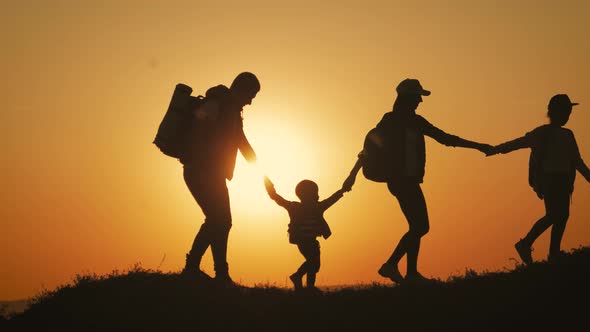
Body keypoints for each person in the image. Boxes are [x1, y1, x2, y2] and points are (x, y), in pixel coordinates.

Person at [343, 78, 492, 284]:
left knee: (416, 226)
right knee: (420, 227)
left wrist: (477, 146)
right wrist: (351, 176)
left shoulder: (412, 121)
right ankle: (391, 265)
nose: (420, 102)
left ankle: (410, 273)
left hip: (408, 180)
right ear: (407, 98)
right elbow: (368, 151)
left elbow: (445, 138)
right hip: (401, 180)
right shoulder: (393, 121)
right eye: (417, 97)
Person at [487, 94, 590, 265]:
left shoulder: (568, 134)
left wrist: (587, 176)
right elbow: (518, 143)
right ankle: (526, 243)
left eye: (569, 112)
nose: (567, 116)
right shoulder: (541, 133)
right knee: (554, 215)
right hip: (549, 180)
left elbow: (576, 160)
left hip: (564, 180)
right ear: (554, 112)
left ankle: (553, 253)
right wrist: (496, 149)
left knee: (562, 216)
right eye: (565, 112)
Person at [180, 72, 260, 285]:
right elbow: (200, 130)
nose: (251, 101)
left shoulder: (233, 110)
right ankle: (199, 269)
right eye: (251, 94)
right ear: (241, 89)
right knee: (220, 220)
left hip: (210, 172)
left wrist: (255, 161)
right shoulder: (218, 103)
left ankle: (213, 271)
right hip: (201, 171)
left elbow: (239, 138)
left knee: (220, 221)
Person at [264, 176, 347, 292]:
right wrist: (270, 189)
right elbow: (278, 199)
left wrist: (342, 191)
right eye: (315, 193)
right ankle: (298, 276)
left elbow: (332, 199)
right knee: (313, 262)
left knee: (314, 265)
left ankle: (309, 287)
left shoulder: (308, 207)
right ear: (308, 194)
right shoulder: (303, 207)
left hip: (311, 241)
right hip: (304, 241)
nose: (318, 195)